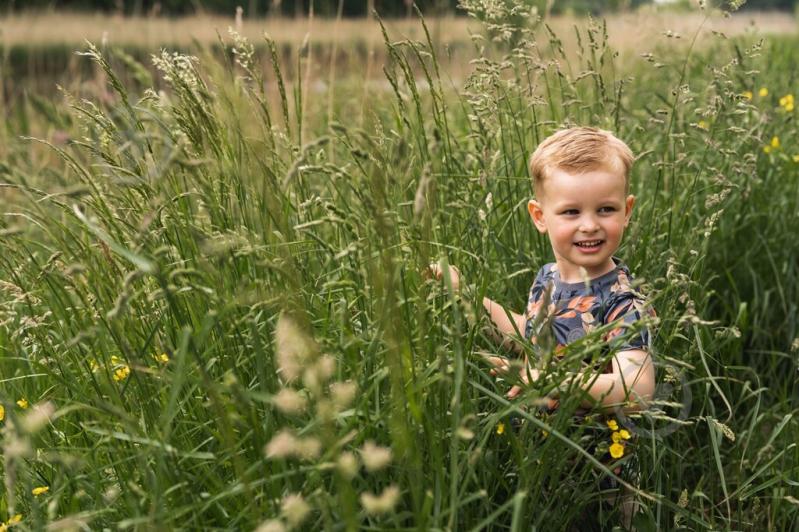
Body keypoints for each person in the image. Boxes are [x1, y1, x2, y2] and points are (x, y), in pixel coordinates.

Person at [431, 126, 656, 530]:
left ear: (627, 210)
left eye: (605, 209)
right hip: (543, 462)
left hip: (601, 472)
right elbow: (528, 334)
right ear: (539, 216)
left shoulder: (621, 300)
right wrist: (468, 298)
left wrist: (549, 379)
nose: (589, 225)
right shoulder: (548, 278)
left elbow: (637, 389)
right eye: (571, 212)